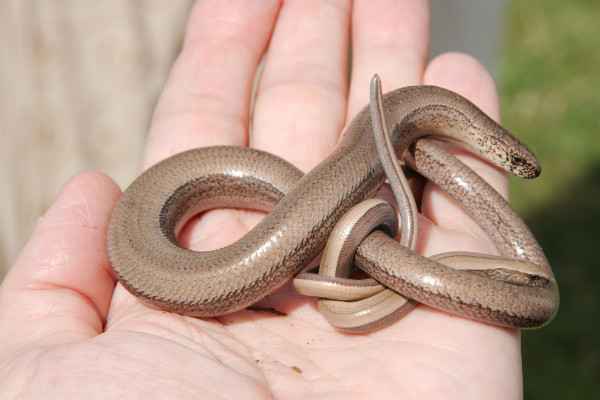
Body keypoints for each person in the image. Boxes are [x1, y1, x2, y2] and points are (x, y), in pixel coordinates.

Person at [0, 1, 521, 398]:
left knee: (335, 194)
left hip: (310, 209)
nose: (519, 170)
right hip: (202, 256)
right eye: (517, 165)